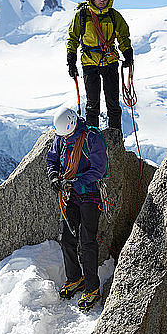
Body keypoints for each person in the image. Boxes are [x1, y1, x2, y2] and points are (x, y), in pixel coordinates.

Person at [47, 106, 107, 311]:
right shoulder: (61, 138)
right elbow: (52, 159)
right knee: (67, 238)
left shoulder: (92, 138)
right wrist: (54, 176)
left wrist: (74, 181)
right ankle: (74, 278)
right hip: (71, 195)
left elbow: (98, 170)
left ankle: (92, 287)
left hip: (89, 194)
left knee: (87, 240)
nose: (66, 138)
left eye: (69, 133)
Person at [66, 0, 133, 132]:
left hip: (109, 62)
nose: (102, 1)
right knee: (92, 105)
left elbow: (123, 36)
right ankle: (92, 140)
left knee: (113, 104)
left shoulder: (114, 16)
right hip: (89, 63)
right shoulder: (82, 15)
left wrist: (127, 52)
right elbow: (73, 38)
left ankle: (115, 139)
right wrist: (71, 59)